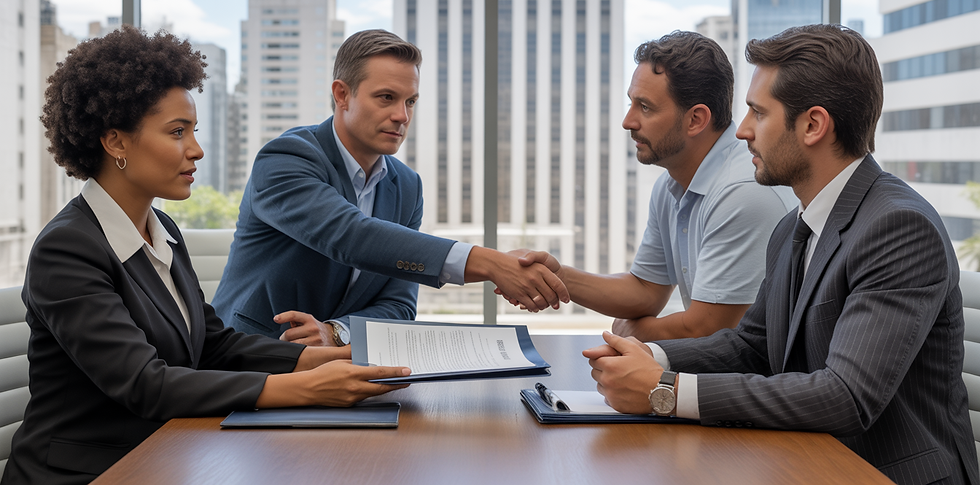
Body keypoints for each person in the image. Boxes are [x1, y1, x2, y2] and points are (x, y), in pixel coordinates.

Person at [1, 26, 412, 485]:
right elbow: (146, 383)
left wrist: (321, 360)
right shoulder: (67, 248)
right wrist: (303, 387)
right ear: (115, 142)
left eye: (193, 131)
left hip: (168, 452)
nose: (196, 150)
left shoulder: (162, 231)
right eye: (177, 132)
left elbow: (214, 345)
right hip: (90, 472)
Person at [584, 24, 979, 485]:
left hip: (882, 474)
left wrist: (665, 390)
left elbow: (846, 396)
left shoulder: (899, 228)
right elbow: (751, 346)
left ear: (813, 125)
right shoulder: (794, 226)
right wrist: (651, 356)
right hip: (810, 460)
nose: (743, 131)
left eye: (758, 113)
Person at [212, 29, 567, 346]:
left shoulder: (407, 187)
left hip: (341, 369)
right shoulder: (286, 158)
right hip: (249, 359)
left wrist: (335, 332)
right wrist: (490, 263)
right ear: (342, 94)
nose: (402, 116)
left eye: (410, 101)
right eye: (386, 98)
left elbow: (398, 305)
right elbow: (350, 236)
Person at [511, 31, 795, 340]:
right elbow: (646, 290)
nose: (628, 121)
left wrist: (634, 330)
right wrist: (556, 275)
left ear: (696, 120)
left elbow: (708, 328)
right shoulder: (670, 186)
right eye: (631, 103)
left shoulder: (742, 191)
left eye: (645, 107)